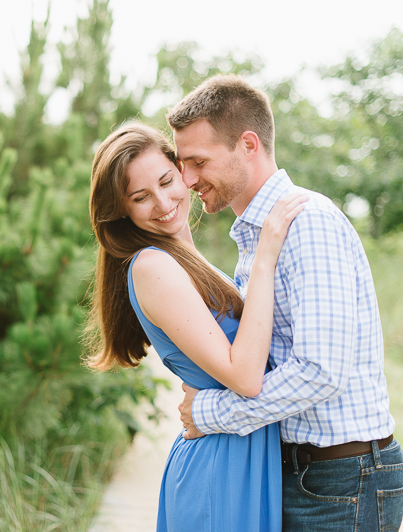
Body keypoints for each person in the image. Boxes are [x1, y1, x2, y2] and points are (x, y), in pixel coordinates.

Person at [171, 74, 403, 531]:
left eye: (198, 161)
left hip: (342, 482)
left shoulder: (307, 223)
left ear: (248, 145)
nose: (187, 179)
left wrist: (212, 413)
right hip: (305, 475)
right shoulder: (257, 238)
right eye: (182, 164)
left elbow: (320, 371)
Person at [86, 122, 308, 532]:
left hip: (242, 455)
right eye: (140, 197)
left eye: (167, 181)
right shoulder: (152, 266)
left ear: (182, 171)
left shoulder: (188, 260)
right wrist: (265, 257)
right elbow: (244, 375)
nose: (163, 201)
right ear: (122, 211)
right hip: (218, 472)